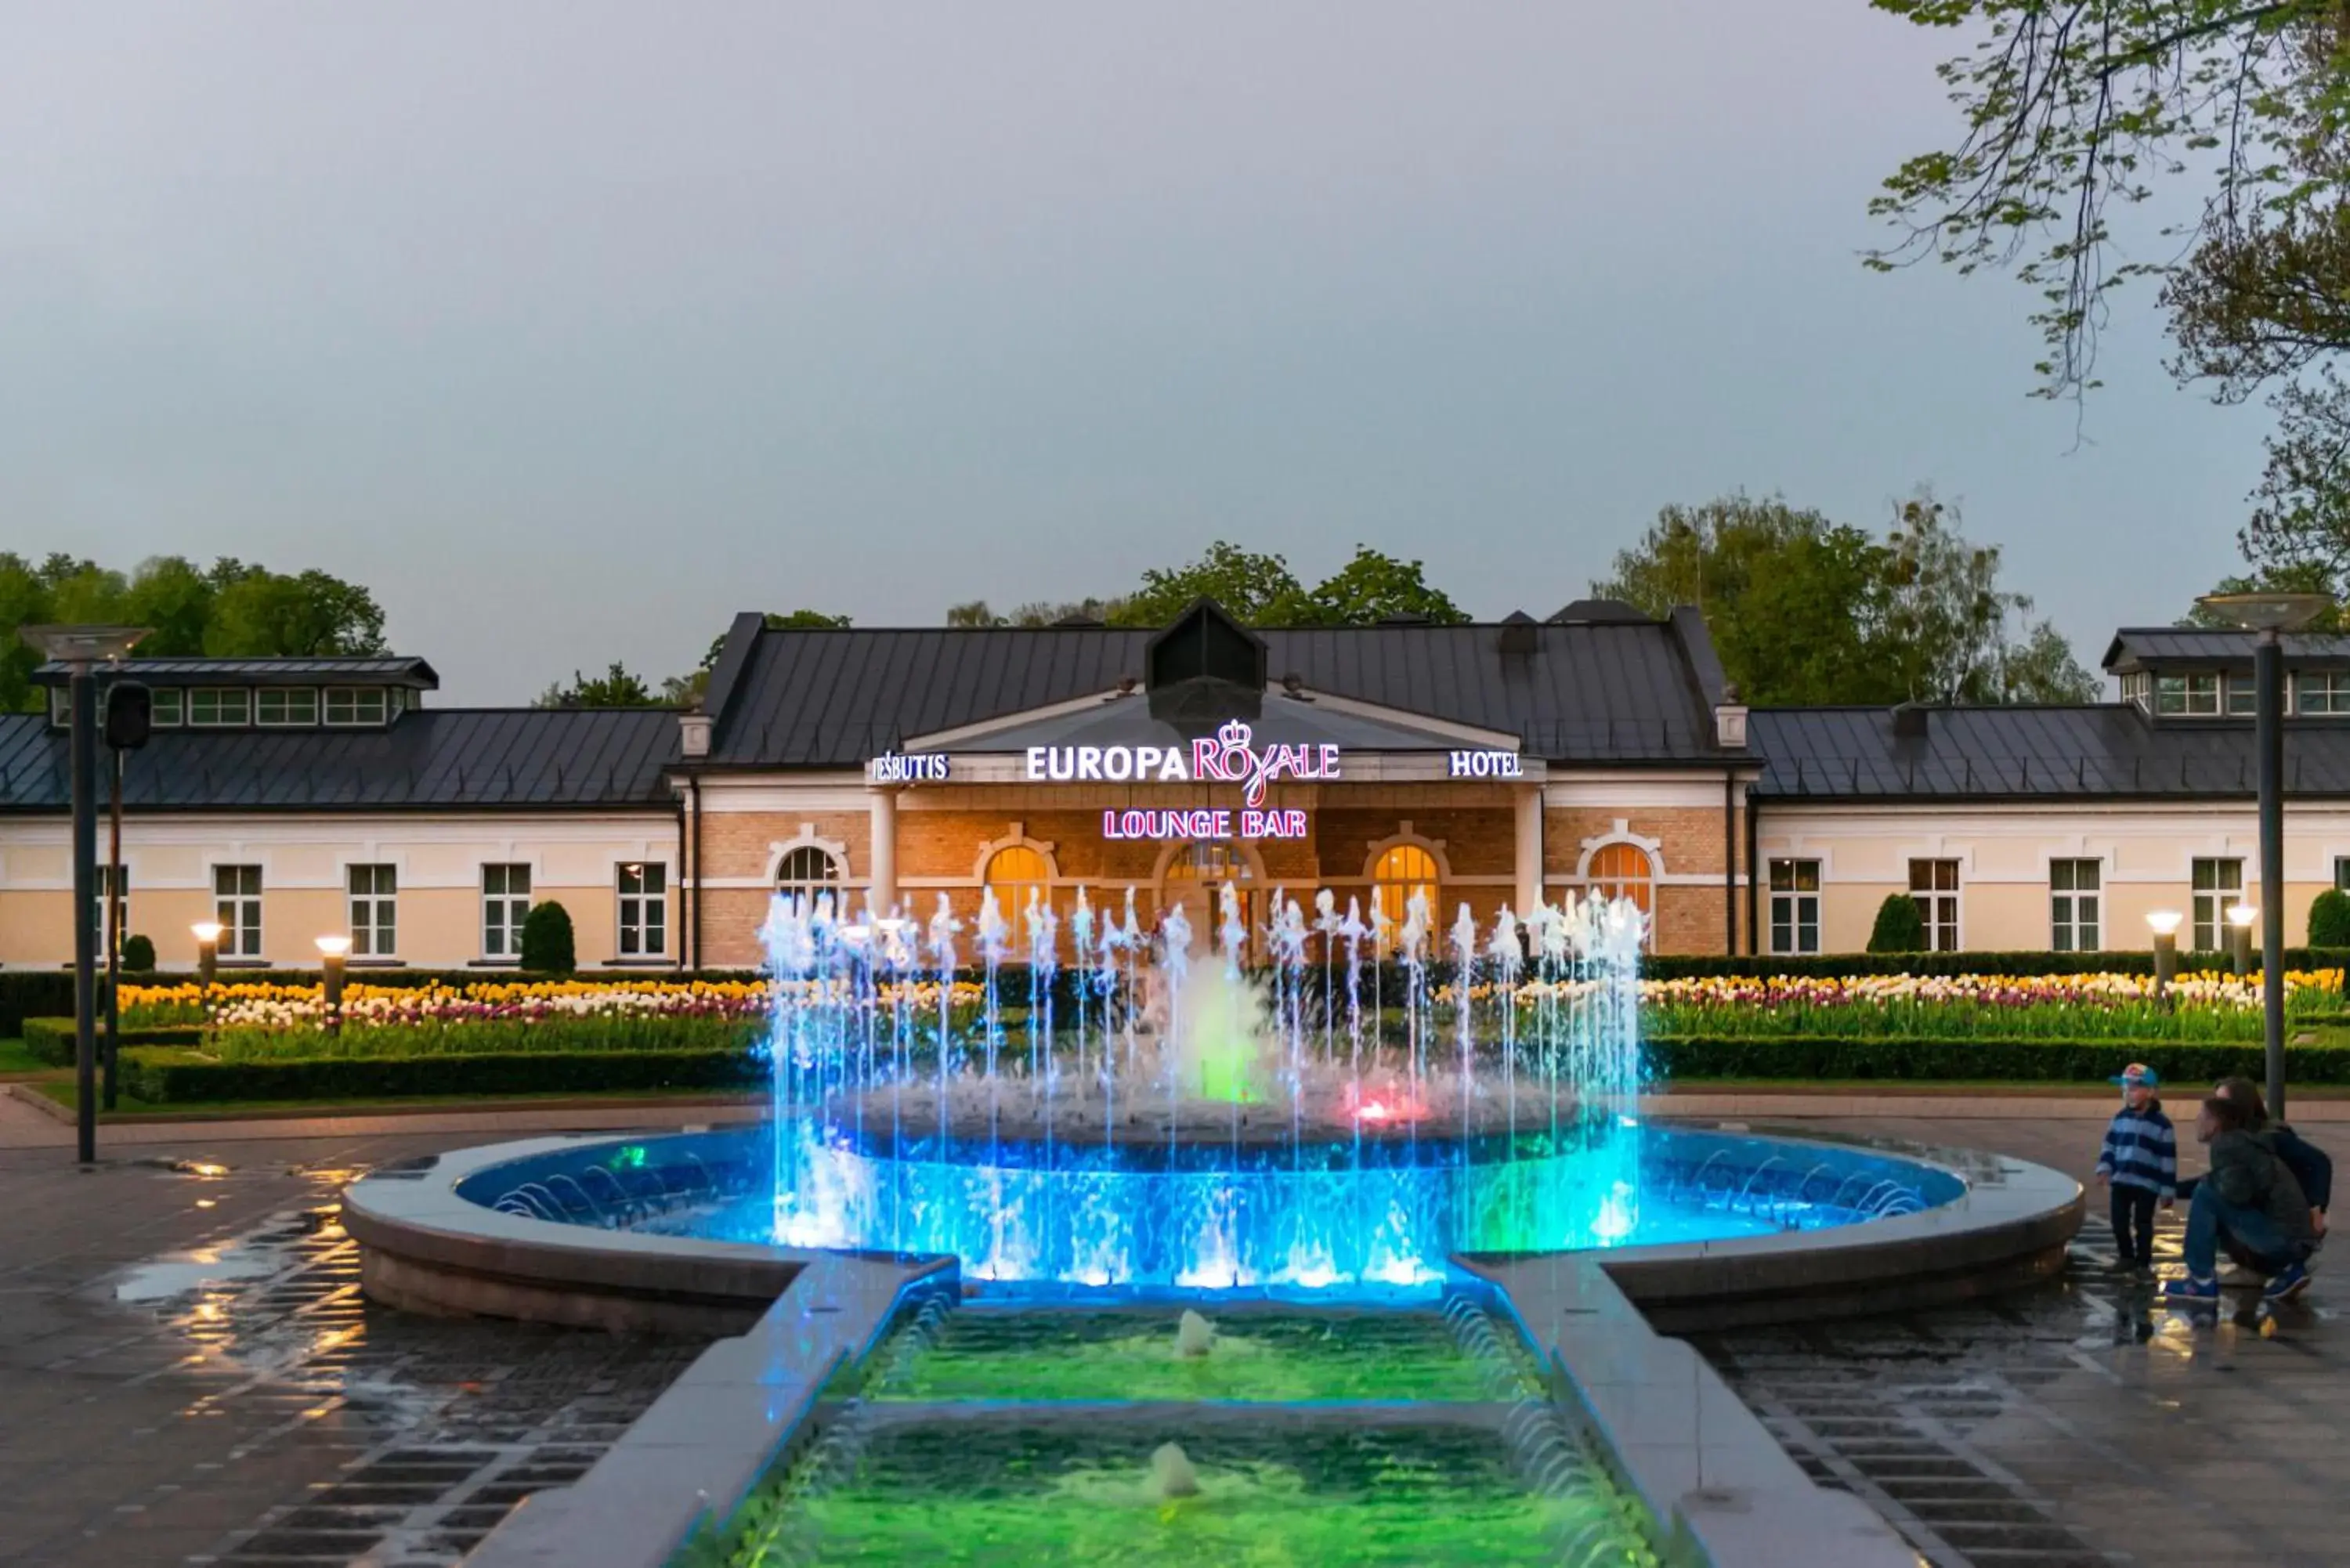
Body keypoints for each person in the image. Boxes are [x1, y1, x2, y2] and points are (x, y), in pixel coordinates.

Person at [2161, 1093, 2316, 1305]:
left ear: (2215, 1122)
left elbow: (2238, 1194)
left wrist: (2210, 1182)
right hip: (2295, 1242)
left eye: (2202, 1115)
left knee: (2205, 1193)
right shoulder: (2244, 1143)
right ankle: (2289, 1270)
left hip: (2284, 1241)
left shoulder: (2227, 1145)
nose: (2196, 1121)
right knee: (2209, 1190)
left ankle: (2201, 1279)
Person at [2174, 1077, 2330, 1245]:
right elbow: (2219, 1178)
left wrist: (2317, 1209)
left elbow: (2320, 1162)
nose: (2215, 1108)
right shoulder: (2238, 1138)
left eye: (2221, 1101)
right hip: (2271, 1215)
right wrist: (2170, 1189)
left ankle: (2201, 1268)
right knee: (2211, 1191)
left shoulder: (2269, 1137)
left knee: (2208, 1195)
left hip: (2278, 1222)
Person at [2093, 1064, 2175, 1272]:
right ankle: (2126, 1256)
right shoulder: (2120, 1118)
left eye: (2135, 1088)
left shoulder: (2162, 1125)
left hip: (2147, 1184)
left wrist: (2167, 1191)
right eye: (2125, 1088)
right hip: (2121, 1180)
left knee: (2143, 1224)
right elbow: (2109, 1145)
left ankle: (2143, 1261)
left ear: (2150, 1091)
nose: (2129, 1092)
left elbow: (2167, 1158)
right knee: (2118, 1222)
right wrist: (2105, 1167)